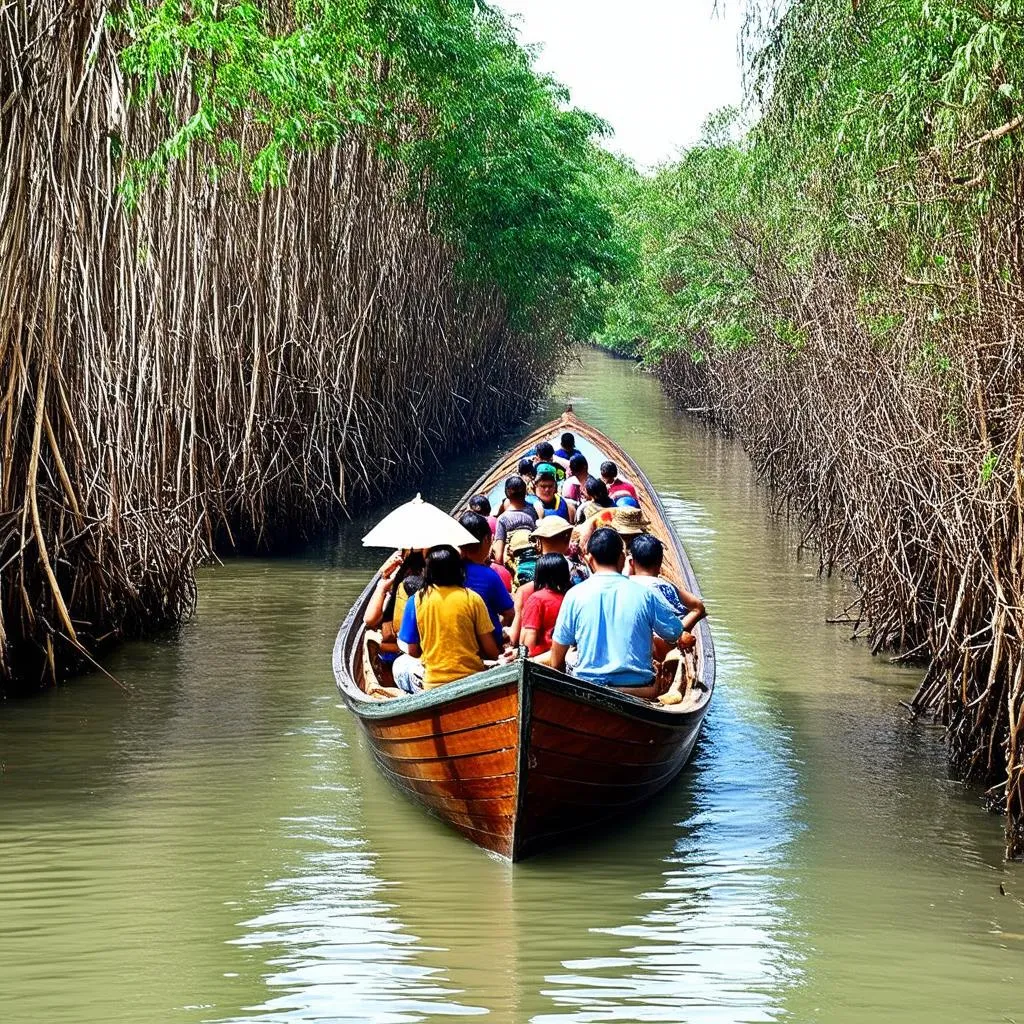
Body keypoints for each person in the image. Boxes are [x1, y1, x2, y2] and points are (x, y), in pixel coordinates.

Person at [549, 527, 684, 698]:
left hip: (587, 689)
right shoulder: (646, 594)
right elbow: (674, 633)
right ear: (622, 559)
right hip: (640, 689)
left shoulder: (574, 595)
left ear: (590, 559)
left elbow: (556, 661)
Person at [394, 545, 500, 692]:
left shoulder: (416, 600)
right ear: (459, 570)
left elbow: (413, 652)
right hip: (472, 680)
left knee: (399, 664)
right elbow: (491, 650)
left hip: (433, 685)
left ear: (427, 572)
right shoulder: (473, 598)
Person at [508, 515, 589, 644]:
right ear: (567, 537)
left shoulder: (526, 587)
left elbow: (515, 636)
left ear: (539, 541)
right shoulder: (582, 572)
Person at [628, 534, 706, 634]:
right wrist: (682, 632)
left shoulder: (623, 583)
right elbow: (698, 607)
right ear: (660, 563)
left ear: (631, 563)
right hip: (660, 640)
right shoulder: (666, 587)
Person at [459, 511, 514, 648]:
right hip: (489, 647)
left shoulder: (447, 571)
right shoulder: (489, 575)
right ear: (486, 540)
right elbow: (509, 614)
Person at [363, 550, 427, 665]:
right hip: (406, 645)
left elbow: (414, 649)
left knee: (370, 636)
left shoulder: (411, 584)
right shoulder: (404, 575)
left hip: (411, 652)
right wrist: (384, 580)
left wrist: (382, 585)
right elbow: (370, 619)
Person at [521, 553, 571, 661]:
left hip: (541, 658)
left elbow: (530, 633)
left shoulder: (536, 599)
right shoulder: (569, 597)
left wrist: (523, 659)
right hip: (563, 655)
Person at [492, 474, 537, 566]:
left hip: (513, 564)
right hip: (533, 560)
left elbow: (498, 556)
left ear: (507, 493)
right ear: (525, 492)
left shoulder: (502, 519)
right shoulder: (532, 511)